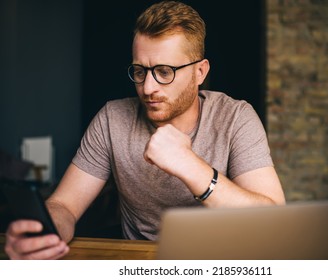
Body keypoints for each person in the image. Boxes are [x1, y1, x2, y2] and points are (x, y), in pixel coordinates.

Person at [4, 0, 285, 260]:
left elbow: (273, 225)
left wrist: (191, 166)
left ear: (200, 72)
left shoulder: (235, 117)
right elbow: (64, 205)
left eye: (164, 71)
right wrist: (44, 231)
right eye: (140, 71)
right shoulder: (112, 119)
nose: (148, 88)